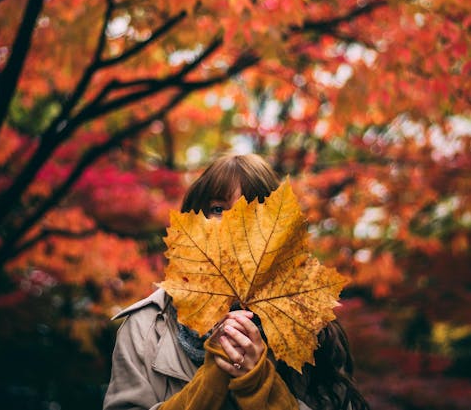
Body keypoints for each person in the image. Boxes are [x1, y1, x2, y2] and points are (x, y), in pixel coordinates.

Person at [103, 153, 370, 410]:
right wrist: (210, 382)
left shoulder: (311, 326)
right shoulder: (145, 326)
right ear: (192, 222)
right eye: (217, 209)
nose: (232, 222)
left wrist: (258, 383)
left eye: (253, 210)